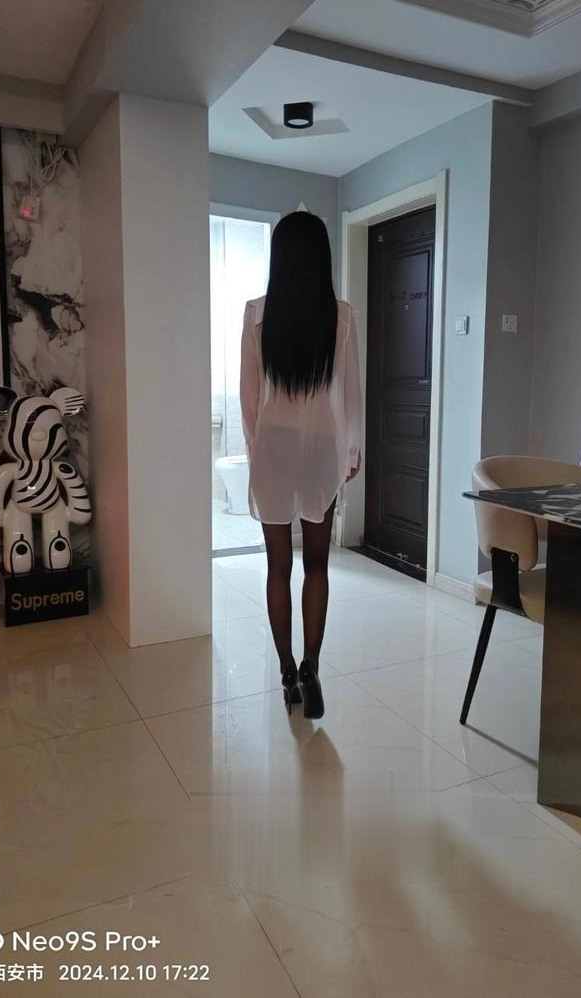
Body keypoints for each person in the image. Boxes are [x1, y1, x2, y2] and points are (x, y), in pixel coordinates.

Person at [240, 211, 363, 719]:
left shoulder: (256, 313)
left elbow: (249, 399)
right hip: (320, 448)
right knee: (317, 564)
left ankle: (287, 672)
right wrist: (351, 452)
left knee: (278, 566)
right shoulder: (342, 315)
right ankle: (312, 668)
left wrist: (256, 453)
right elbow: (350, 394)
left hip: (273, 447)